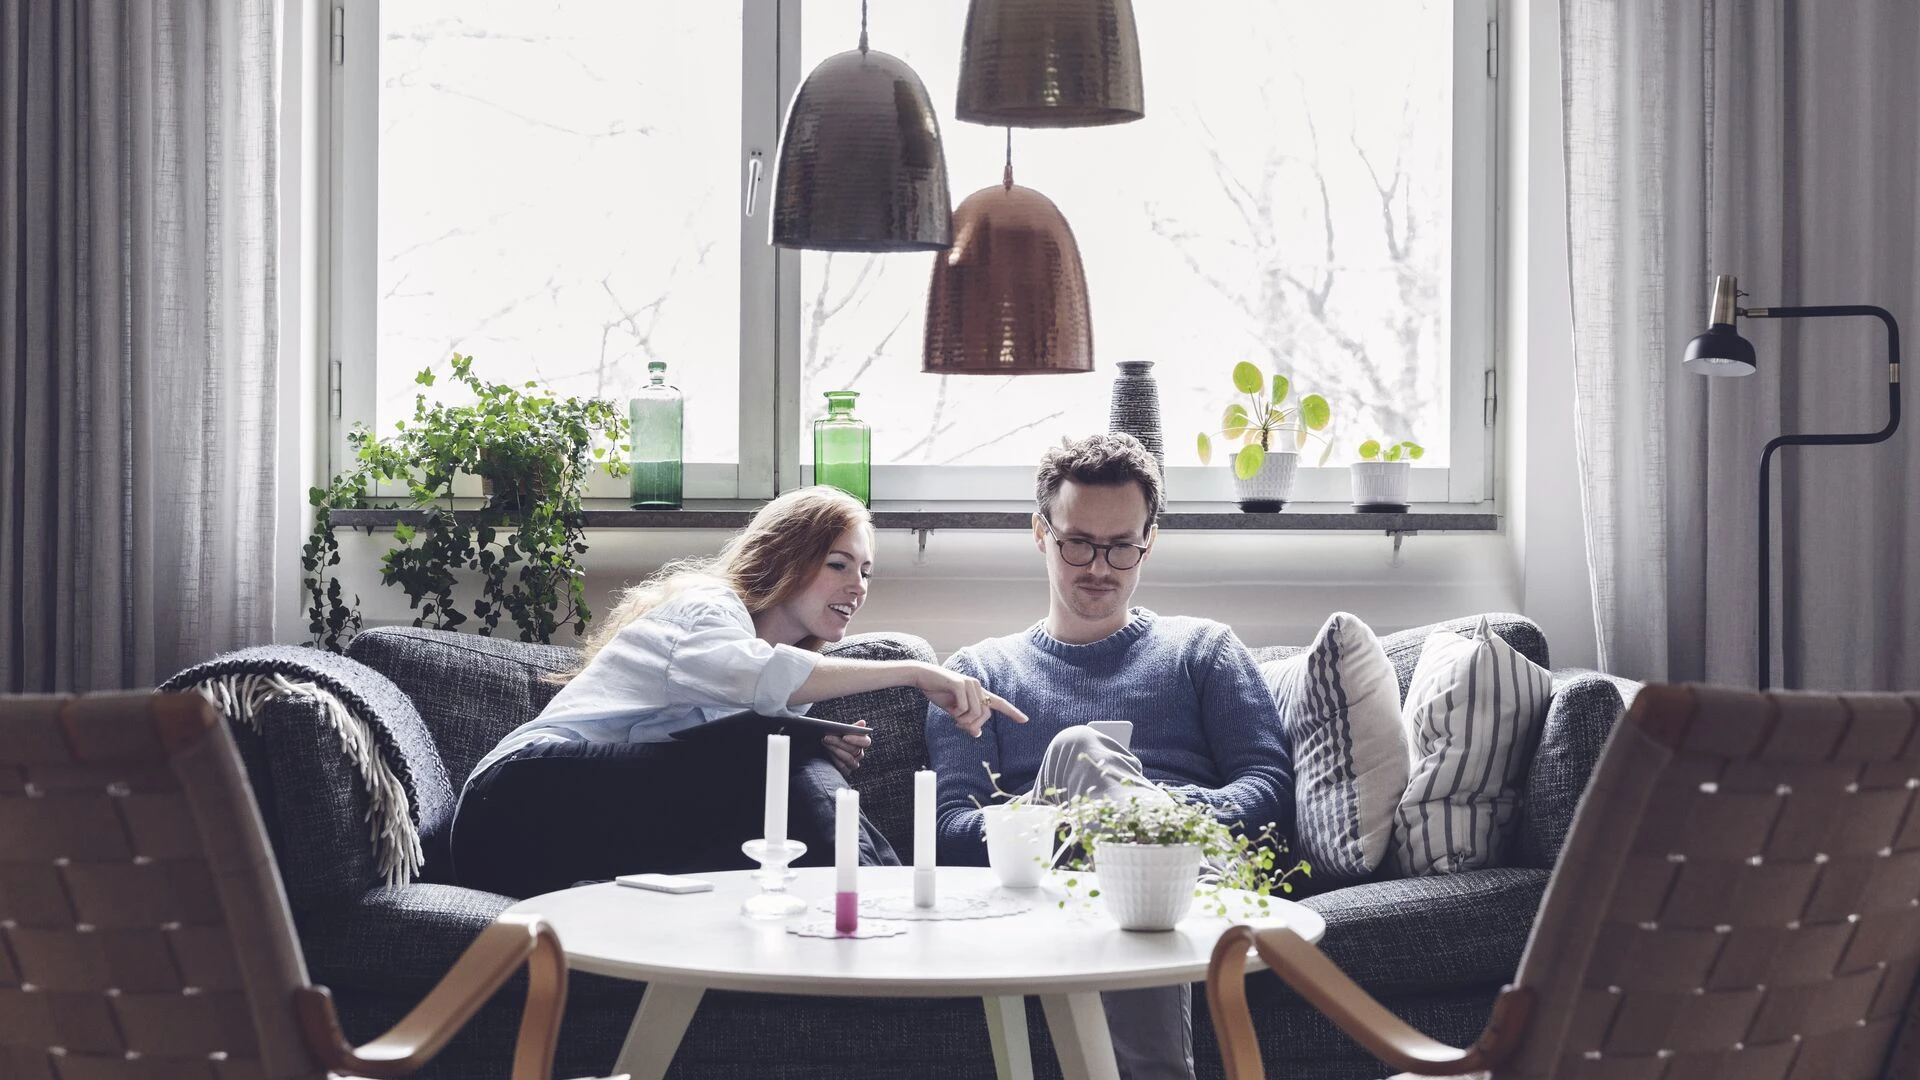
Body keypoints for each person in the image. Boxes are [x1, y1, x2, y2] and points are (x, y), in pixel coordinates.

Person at [924, 433, 1295, 1080]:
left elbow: (1268, 788)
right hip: (1052, 886)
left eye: (1122, 546)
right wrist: (1069, 810)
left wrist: (1152, 815)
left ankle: (1163, 871)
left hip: (1203, 876)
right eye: (1078, 543)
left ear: (1149, 541)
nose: (1099, 567)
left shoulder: (1203, 650)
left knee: (1093, 769)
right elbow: (948, 830)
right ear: (1040, 534)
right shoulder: (977, 677)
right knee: (1078, 751)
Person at [453, 485, 1026, 899]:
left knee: (782, 767)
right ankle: (886, 903)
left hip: (587, 835)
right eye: (839, 564)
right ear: (785, 557)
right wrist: (916, 672)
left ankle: (877, 903)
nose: (858, 587)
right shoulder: (707, 608)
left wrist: (804, 741)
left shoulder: (785, 685)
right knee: (780, 753)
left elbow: (711, 751)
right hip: (515, 801)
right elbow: (759, 676)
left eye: (866, 572)